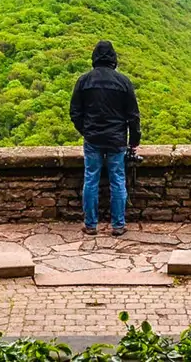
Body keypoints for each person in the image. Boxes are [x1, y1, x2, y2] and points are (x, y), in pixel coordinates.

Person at [69, 40, 141, 236]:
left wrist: (86, 130)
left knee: (90, 179)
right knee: (118, 180)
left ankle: (91, 224)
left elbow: (75, 112)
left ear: (94, 58)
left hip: (93, 139)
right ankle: (118, 225)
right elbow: (133, 115)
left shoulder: (84, 81)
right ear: (114, 60)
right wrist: (134, 141)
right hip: (117, 140)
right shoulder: (123, 82)